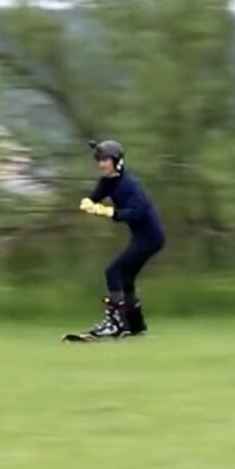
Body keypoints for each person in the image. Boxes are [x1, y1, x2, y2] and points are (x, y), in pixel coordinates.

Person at [65, 139, 165, 342]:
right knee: (126, 278)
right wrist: (89, 202)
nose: (101, 164)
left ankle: (115, 324)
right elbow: (96, 197)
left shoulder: (129, 184)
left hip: (151, 237)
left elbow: (137, 213)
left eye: (105, 160)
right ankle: (135, 325)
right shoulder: (108, 181)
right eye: (99, 160)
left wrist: (110, 212)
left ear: (117, 161)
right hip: (143, 236)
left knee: (114, 271)